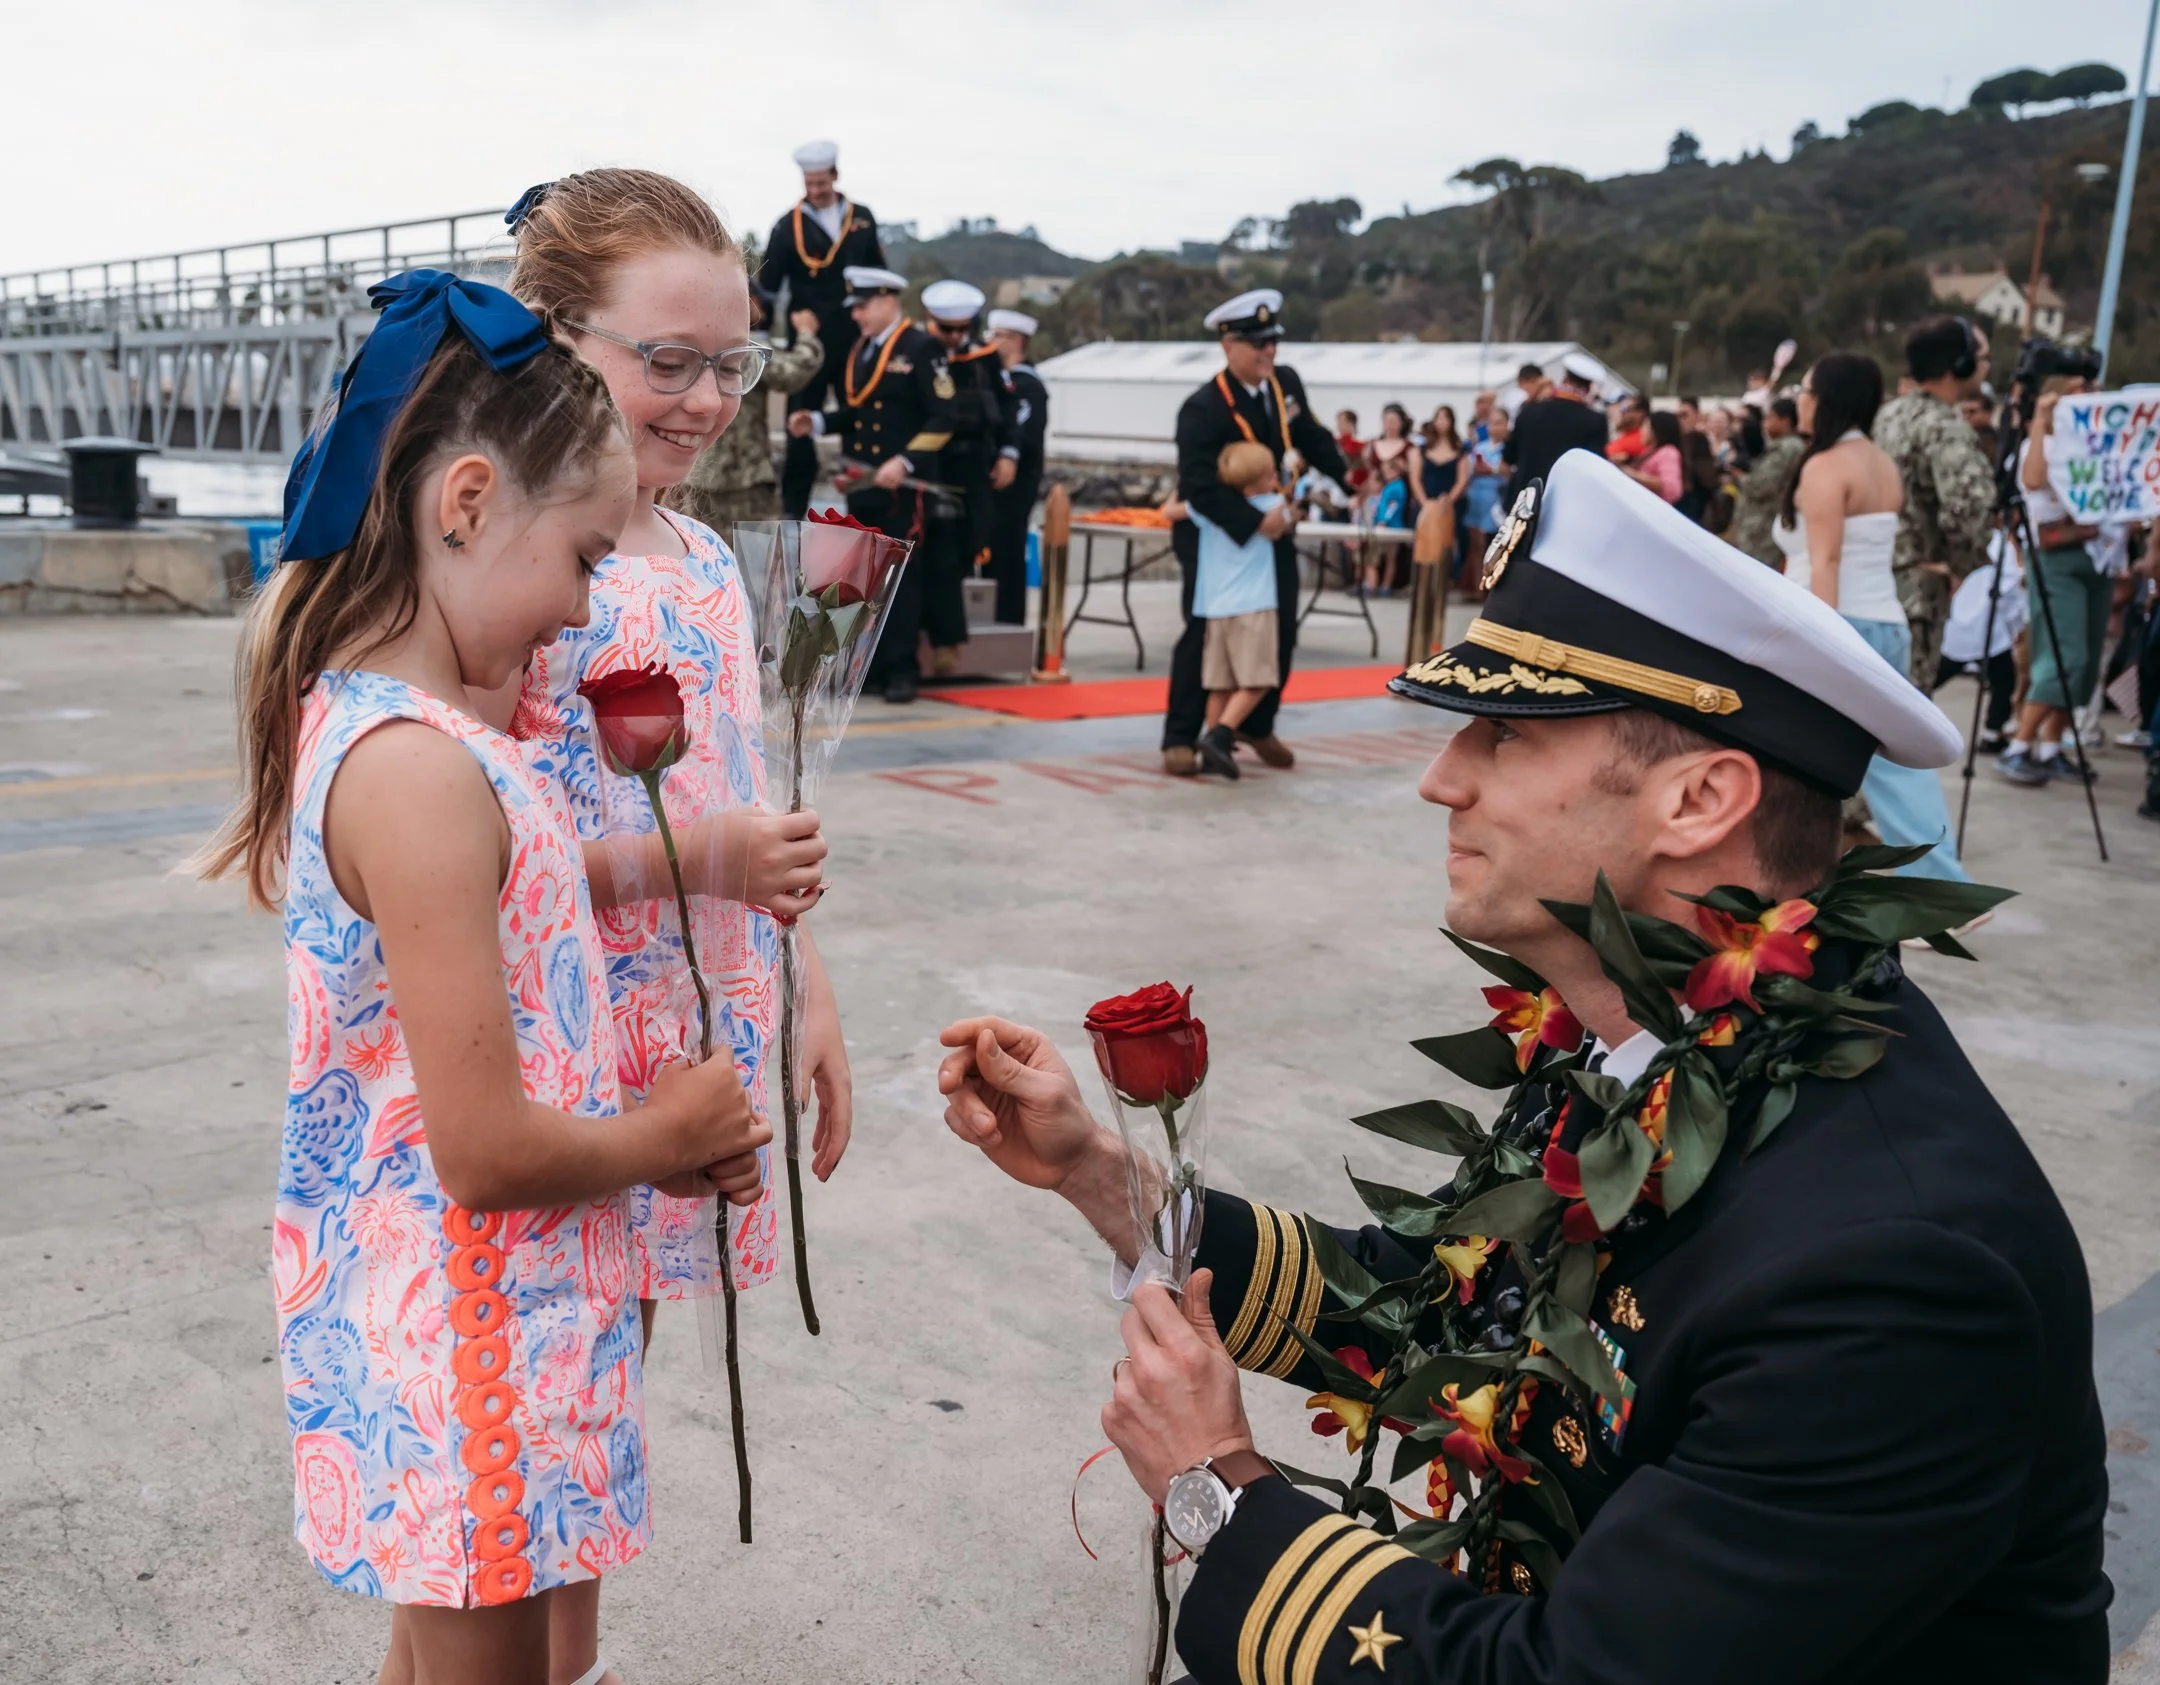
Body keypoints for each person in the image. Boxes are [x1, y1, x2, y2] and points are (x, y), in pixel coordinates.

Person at [937, 447, 2108, 1685]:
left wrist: (1218, 1489)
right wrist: (1099, 1172)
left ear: (1702, 797)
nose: (1444, 776)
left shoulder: (1890, 1275)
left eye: (1505, 730)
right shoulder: (1678, 1030)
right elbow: (1447, 1307)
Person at [203, 271, 771, 1684]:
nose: (582, 613)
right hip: (466, 1346)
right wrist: (670, 1137)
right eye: (580, 559)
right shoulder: (417, 775)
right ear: (464, 504)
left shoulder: (430, 743)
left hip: (508, 1328)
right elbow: (482, 1147)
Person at [505, 169, 855, 1684]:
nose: (710, 399)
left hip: (700, 1038)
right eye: (669, 361)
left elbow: (747, 800)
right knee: (514, 1424)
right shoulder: (511, 554)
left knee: (599, 1396)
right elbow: (468, 859)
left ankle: (562, 1662)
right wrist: (691, 861)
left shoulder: (706, 560)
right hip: (555, 1048)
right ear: (553, 334)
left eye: (736, 365)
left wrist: (803, 980)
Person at [1775, 351, 1971, 882]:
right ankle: (1942, 887)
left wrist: (1822, 642)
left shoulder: (1824, 466)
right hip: (1885, 621)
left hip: (1839, 622)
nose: (1800, 399)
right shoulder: (1880, 462)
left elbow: (1827, 562)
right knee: (1895, 769)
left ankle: (1935, 892)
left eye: (1807, 390)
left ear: (1828, 399)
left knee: (1791, 755)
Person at [1159, 288, 1347, 777]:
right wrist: (1254, 522)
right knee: (1205, 633)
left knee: (1281, 625)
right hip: (1214, 534)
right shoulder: (1202, 409)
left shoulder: (1284, 384)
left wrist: (1351, 479)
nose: (1269, 351)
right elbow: (1198, 487)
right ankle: (1180, 737)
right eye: (1258, 343)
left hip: (1270, 531)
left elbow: (1310, 437)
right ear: (1229, 346)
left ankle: (1254, 724)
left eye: (1272, 341)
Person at [788, 265, 959, 704]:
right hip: (863, 482)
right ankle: (874, 668)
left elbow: (944, 418)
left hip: (903, 486)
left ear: (887, 301)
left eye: (863, 306)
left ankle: (903, 669)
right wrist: (820, 420)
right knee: (868, 580)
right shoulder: (864, 350)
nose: (857, 316)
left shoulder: (921, 348)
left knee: (902, 579)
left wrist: (903, 461)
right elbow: (858, 411)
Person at [759, 141, 887, 517]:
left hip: (852, 336)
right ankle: (793, 514)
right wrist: (764, 338)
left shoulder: (861, 218)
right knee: (800, 424)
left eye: (820, 183)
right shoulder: (787, 226)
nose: (814, 190)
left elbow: (877, 272)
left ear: (835, 176)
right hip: (808, 339)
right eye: (808, 183)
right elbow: (768, 286)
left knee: (857, 416)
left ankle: (863, 507)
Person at [1999, 376, 2112, 787]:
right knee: (2066, 655)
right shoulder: (2041, 443)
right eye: (2080, 391)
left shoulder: (2099, 445)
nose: (2089, 398)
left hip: (2100, 560)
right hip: (2056, 559)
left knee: (2085, 659)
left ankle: (2051, 746)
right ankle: (2019, 745)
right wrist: (2042, 417)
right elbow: (2031, 481)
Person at [1874, 316, 1996, 687]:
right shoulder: (1944, 426)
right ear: (1958, 366)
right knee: (1908, 704)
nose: (1985, 364)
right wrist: (1959, 563)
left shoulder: (1888, 415)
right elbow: (1971, 504)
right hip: (1921, 585)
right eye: (1981, 356)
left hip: (1877, 576)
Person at [666, 285, 824, 533]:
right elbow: (793, 373)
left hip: (696, 475)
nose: (762, 309)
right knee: (753, 560)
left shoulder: (686, 341)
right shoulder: (741, 350)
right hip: (742, 479)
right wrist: (807, 335)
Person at [921, 278, 1018, 672]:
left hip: (977, 467)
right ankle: (946, 643)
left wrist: (1009, 453)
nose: (957, 337)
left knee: (972, 546)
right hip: (936, 468)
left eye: (964, 329)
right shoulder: (923, 355)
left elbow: (1009, 411)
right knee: (941, 552)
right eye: (948, 330)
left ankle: (948, 628)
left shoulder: (985, 358)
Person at [1189, 440, 1285, 779]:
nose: (1276, 475)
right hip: (1254, 603)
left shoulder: (1207, 509)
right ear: (1253, 482)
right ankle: (1222, 733)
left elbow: (1172, 510)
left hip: (1215, 606)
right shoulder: (1273, 504)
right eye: (1269, 472)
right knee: (1258, 679)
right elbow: (1283, 522)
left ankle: (1211, 747)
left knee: (1220, 682)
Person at [986, 307, 1049, 627]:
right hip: (993, 486)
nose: (991, 342)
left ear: (1017, 341)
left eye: (999, 336)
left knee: (1008, 553)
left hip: (1015, 484)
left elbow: (1021, 432)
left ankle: (1008, 622)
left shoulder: (1028, 385)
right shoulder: (1000, 381)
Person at [1940, 530, 2026, 751]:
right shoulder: (2001, 544)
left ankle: (1992, 731)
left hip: (1963, 623)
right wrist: (2017, 623)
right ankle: (1992, 731)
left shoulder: (1969, 539)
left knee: (1936, 675)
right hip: (1988, 626)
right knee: (2004, 682)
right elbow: (2009, 589)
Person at [1502, 353, 1609, 505]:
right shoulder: (1594, 420)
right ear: (1590, 386)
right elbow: (1595, 468)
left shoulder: (1529, 411)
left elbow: (1509, 457)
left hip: (1525, 503)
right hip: (1565, 504)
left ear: (1565, 379)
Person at [1729, 396, 1802, 568]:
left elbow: (1762, 486)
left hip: (1764, 531)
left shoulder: (1788, 448)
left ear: (1785, 420)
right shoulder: (1780, 446)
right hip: (1756, 529)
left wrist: (1739, 476)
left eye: (1771, 418)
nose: (1765, 423)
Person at [1622, 409, 1684, 503]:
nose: (1642, 430)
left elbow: (1672, 488)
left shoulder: (1668, 452)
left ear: (1656, 430)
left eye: (1646, 426)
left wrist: (1632, 474)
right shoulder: (1650, 452)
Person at [1364, 402, 1416, 482]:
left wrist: (1404, 468)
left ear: (1401, 422)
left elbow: (1415, 474)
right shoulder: (1371, 445)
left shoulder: (1410, 447)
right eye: (1387, 420)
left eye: (1393, 420)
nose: (1390, 424)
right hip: (1376, 491)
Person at [1605, 393, 1651, 466]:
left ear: (1640, 413)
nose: (1621, 413)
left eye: (1626, 409)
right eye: (1621, 409)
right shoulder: (1622, 434)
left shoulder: (1644, 438)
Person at [1334, 409, 1369, 493]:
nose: (1338, 425)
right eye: (1338, 422)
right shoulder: (1334, 442)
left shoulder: (1361, 444)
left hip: (1355, 485)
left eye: (1341, 422)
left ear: (1351, 423)